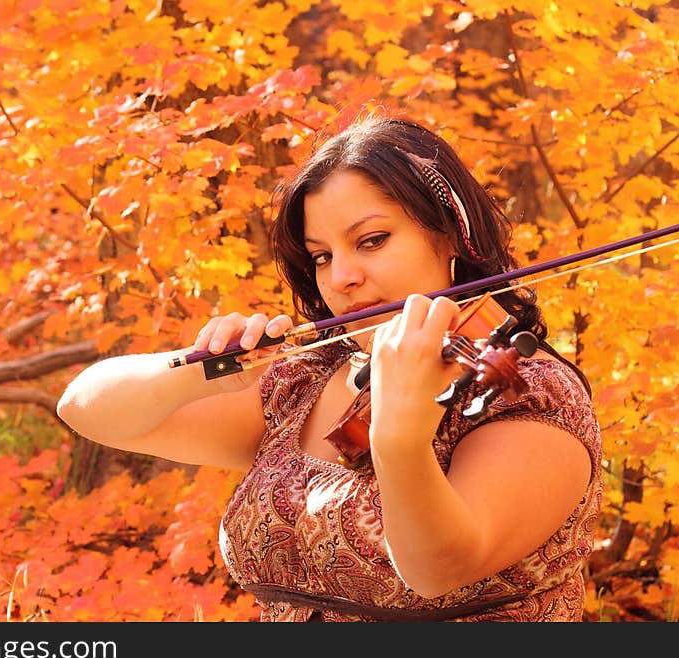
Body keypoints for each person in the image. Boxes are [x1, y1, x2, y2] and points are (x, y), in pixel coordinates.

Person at [57, 112, 602, 622]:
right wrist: (199, 369)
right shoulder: (310, 378)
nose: (341, 276)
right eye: (322, 256)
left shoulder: (531, 397)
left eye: (371, 241)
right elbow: (86, 409)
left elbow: (438, 569)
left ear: (450, 238)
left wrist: (400, 433)